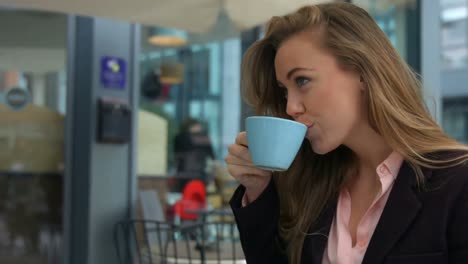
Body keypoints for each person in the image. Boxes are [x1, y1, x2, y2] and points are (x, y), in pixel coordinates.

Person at [225, 2, 468, 264]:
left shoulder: (457, 182)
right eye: (285, 91)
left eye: (302, 81)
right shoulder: (312, 184)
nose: (290, 107)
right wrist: (258, 189)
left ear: (362, 72)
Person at [174, 118, 215, 191]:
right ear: (190, 127)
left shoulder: (179, 138)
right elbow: (212, 155)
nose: (200, 128)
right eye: (197, 126)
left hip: (190, 174)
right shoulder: (181, 138)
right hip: (192, 174)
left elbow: (211, 155)